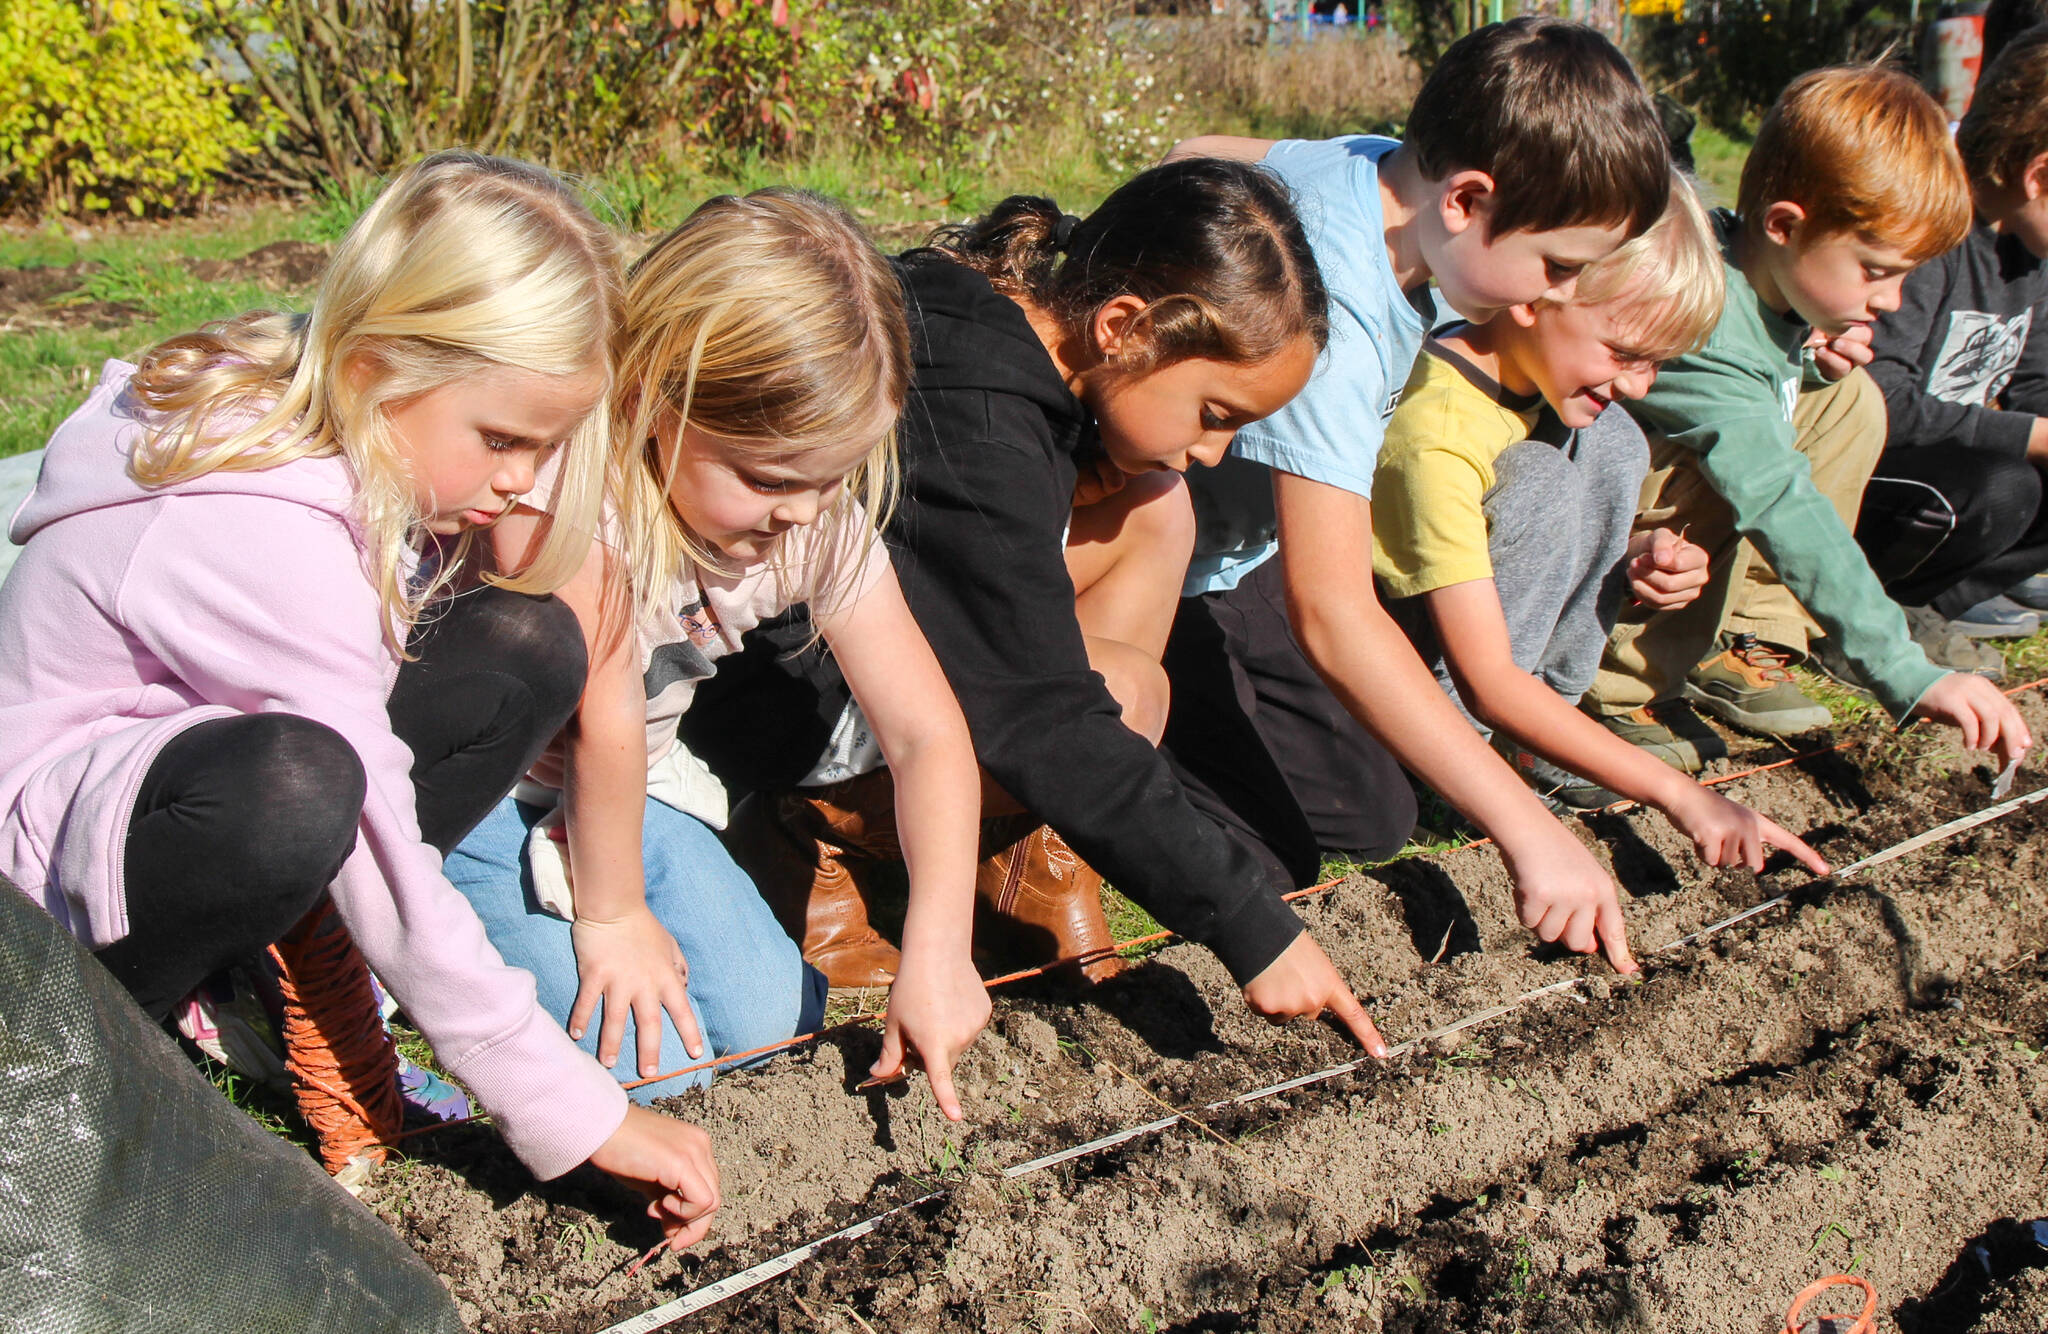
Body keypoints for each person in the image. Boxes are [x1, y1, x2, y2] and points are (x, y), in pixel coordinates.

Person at [0, 152, 721, 1252]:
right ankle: (78, 1062)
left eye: (550, 441)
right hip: (43, 891)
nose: (527, 478)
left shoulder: (354, 416)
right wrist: (577, 1111)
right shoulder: (251, 523)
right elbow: (376, 832)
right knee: (304, 786)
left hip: (167, 789)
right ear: (383, 365)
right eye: (504, 439)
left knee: (525, 641)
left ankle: (249, 979)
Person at [688, 158, 1396, 1053]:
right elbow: (1044, 710)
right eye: (1213, 411)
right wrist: (1255, 930)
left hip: (844, 639)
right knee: (1122, 697)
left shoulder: (1007, 325)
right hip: (774, 704)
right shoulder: (978, 420)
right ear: (1123, 327)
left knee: (1155, 508)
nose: (1215, 450)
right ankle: (813, 822)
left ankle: (1022, 852)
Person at [443, 189, 992, 1119]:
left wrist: (940, 945)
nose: (805, 513)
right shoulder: (576, 495)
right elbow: (602, 719)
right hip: (477, 801)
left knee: (777, 1029)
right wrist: (612, 920)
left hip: (628, 798)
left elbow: (928, 737)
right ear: (663, 395)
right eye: (772, 479)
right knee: (655, 1077)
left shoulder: (809, 519)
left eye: (834, 477)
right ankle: (376, 965)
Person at [1161, 17, 1669, 974]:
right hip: (1177, 565)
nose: (1558, 297)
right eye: (1558, 267)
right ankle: (1103, 752)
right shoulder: (1340, 314)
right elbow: (1334, 611)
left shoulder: (1376, 165)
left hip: (1243, 540)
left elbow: (1200, 152)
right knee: (1273, 853)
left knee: (1374, 810)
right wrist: (1528, 830)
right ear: (1468, 199)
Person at [1369, 171, 1829, 884]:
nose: (1641, 384)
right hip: (1426, 675)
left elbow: (1525, 540)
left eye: (1657, 363)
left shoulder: (1552, 387)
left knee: (1615, 439)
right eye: (1625, 354)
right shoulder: (1437, 432)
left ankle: (1548, 724)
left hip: (1498, 653)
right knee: (1545, 477)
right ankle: (1464, 753)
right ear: (1541, 292)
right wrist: (1676, 793)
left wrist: (1634, 552)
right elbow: (1486, 670)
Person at [1582, 65, 2031, 774]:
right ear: (1786, 225)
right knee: (1757, 454)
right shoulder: (1710, 330)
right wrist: (1905, 668)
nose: (1891, 300)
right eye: (1876, 269)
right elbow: (1781, 500)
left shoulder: (1760, 284)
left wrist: (1806, 363)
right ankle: (1616, 688)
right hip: (1599, 533)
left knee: (1849, 402)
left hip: (1655, 519)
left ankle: (1746, 633)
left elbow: (1780, 385)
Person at [1857, 27, 2048, 665]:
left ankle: (1937, 605)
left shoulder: (2034, 252)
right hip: (1873, 473)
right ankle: (1864, 609)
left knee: (2011, 478)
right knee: (2003, 486)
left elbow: (2033, 387)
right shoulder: (1930, 233)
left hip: (1948, 465)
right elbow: (1881, 397)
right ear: (2038, 177)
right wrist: (2033, 437)